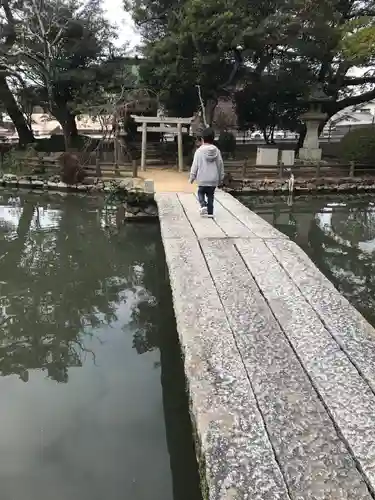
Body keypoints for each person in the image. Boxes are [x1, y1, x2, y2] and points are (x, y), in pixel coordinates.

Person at [189, 127, 224, 218]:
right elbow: (220, 165)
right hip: (213, 179)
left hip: (202, 178)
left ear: (202, 139)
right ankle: (210, 212)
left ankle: (203, 205)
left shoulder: (199, 151)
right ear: (213, 139)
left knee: (200, 192)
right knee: (210, 195)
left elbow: (195, 165)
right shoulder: (217, 151)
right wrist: (221, 178)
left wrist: (192, 177)